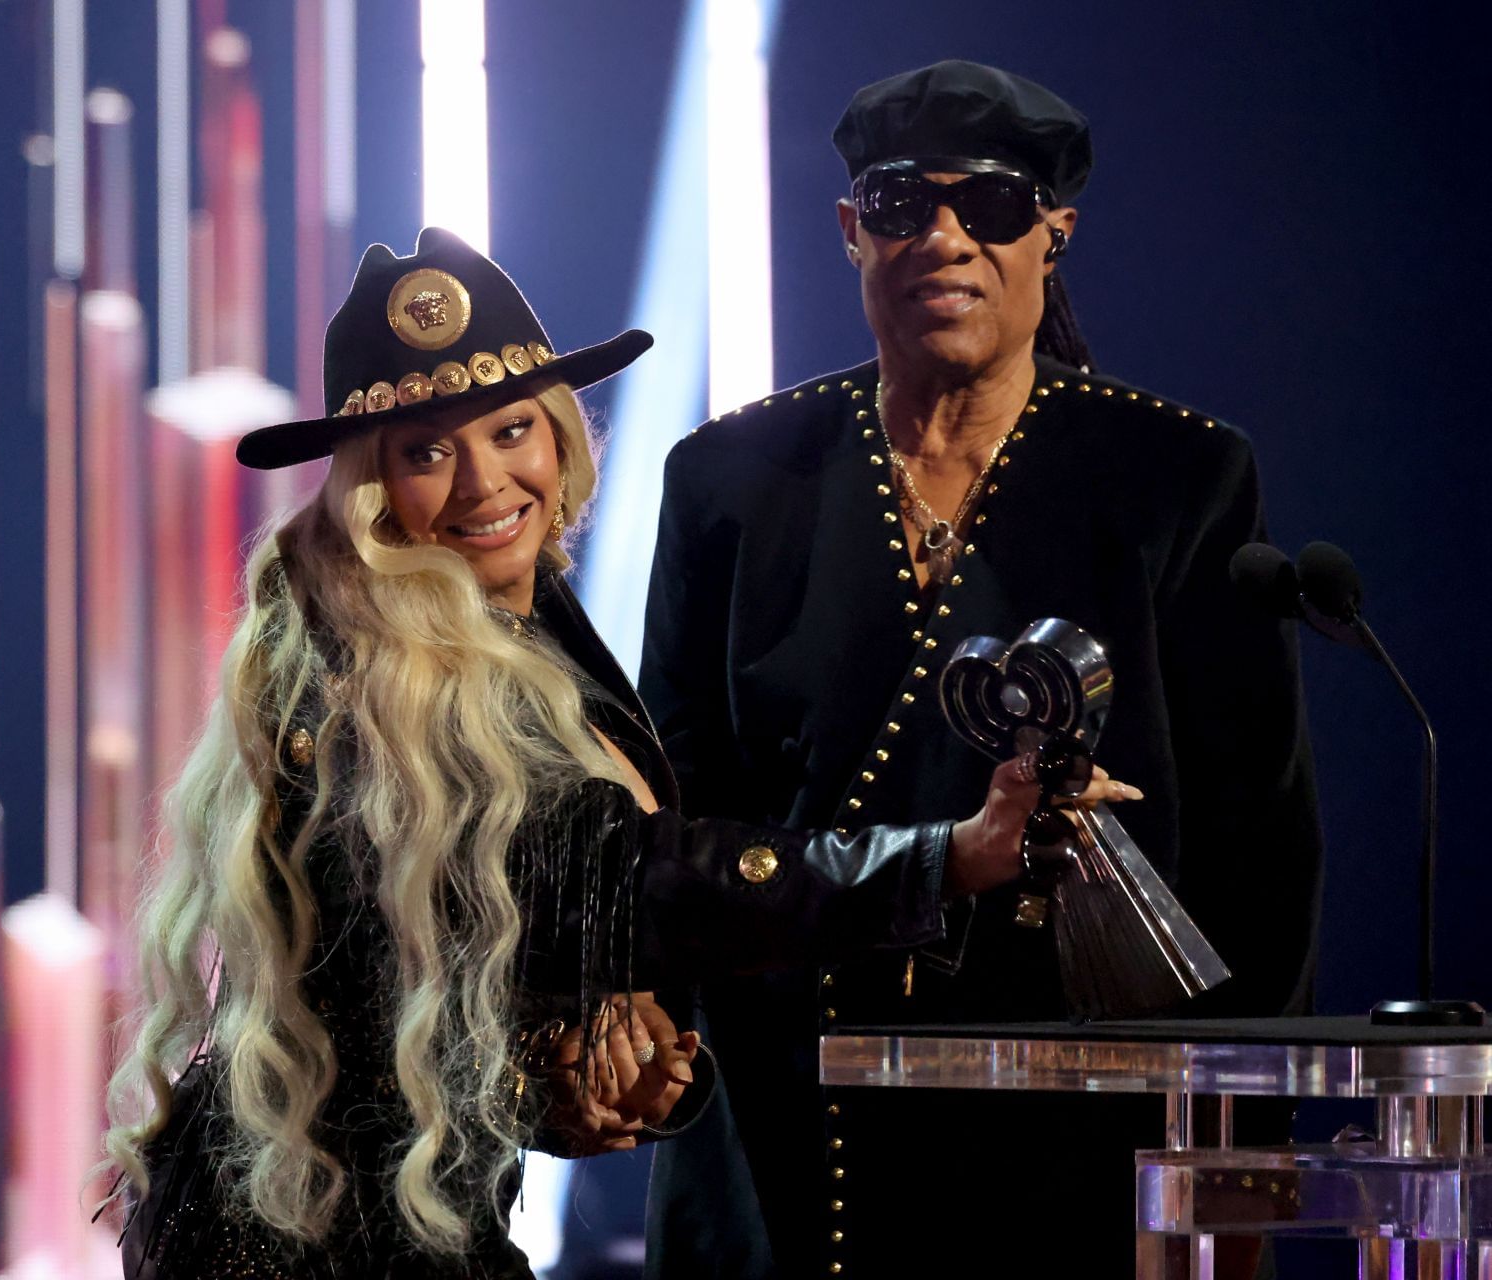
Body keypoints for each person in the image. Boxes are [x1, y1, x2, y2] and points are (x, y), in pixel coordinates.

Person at [101, 228, 1134, 1279]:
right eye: (425, 452)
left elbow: (432, 976)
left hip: (389, 1224)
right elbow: (622, 872)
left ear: (560, 436)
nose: (482, 482)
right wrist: (946, 855)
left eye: (511, 430)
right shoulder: (374, 670)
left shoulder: (519, 627)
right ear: (371, 487)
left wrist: (552, 1083)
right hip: (298, 1243)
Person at [640, 60, 1323, 1277]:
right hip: (793, 1114)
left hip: (1073, 1126)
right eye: (902, 205)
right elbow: (678, 802)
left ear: (1053, 236)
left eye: (992, 205)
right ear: (853, 232)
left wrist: (1237, 1151)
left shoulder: (1179, 474)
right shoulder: (728, 478)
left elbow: (1257, 845)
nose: (944, 237)